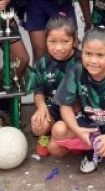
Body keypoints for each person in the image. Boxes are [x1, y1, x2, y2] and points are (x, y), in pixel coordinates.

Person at [49, 27, 105, 177]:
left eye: (100, 55)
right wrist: (77, 130)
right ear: (82, 52)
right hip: (89, 124)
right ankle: (92, 149)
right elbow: (65, 107)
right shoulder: (76, 71)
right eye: (88, 54)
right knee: (58, 130)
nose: (93, 60)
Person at [26, 15, 81, 157]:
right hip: (54, 108)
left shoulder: (82, 61)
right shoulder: (42, 63)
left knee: (56, 148)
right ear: (45, 41)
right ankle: (46, 135)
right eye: (52, 41)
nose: (58, 48)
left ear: (74, 41)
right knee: (38, 126)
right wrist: (41, 107)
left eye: (65, 41)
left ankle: (74, 139)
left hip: (76, 110)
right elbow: (38, 91)